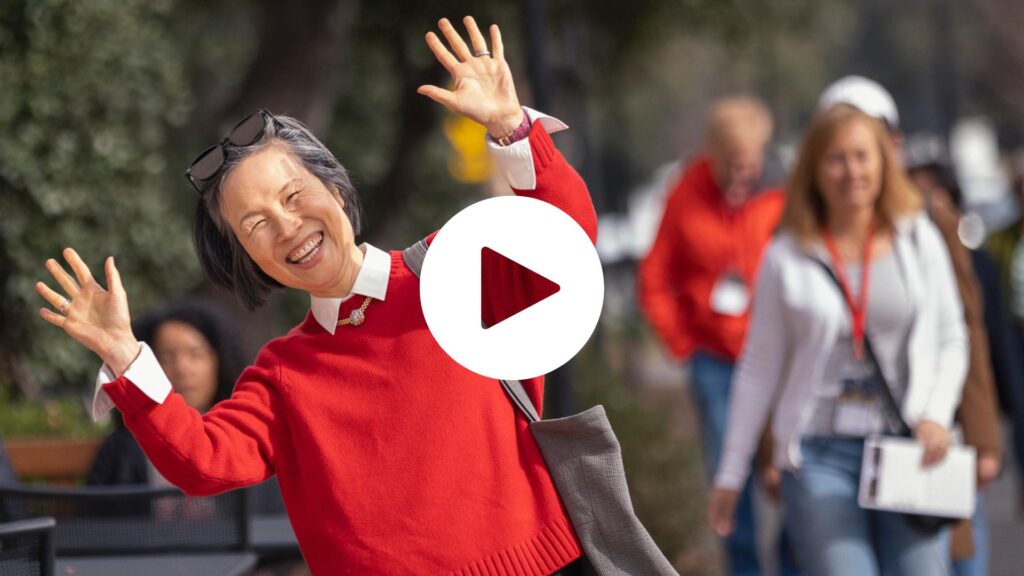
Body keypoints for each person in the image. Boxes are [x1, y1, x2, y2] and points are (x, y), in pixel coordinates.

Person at [34, 17, 593, 576]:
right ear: (248, 259)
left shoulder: (452, 269)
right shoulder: (283, 372)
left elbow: (566, 247)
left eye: (294, 195)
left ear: (336, 186)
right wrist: (124, 356)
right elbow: (203, 461)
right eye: (255, 225)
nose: (286, 227)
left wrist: (511, 128)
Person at [708, 103, 967, 575]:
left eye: (862, 156)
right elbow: (758, 368)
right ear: (814, 170)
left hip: (906, 444)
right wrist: (730, 474)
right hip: (818, 454)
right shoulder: (787, 254)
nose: (852, 171)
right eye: (837, 159)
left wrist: (936, 415)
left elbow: (952, 337)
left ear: (883, 163)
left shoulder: (917, 238)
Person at [818, 75, 1004, 574]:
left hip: (926, 437)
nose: (854, 158)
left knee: (951, 552)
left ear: (892, 145)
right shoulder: (800, 232)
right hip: (832, 447)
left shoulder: (926, 220)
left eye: (869, 140)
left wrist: (983, 438)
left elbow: (965, 328)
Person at [638, 96, 790, 576]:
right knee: (732, 476)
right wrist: (681, 342)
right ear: (714, 154)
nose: (744, 172)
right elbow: (655, 277)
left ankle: (793, 563)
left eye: (751, 162)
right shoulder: (685, 195)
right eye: (733, 162)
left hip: (779, 357)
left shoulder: (781, 196)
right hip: (716, 361)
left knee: (793, 470)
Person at [909, 160, 1016, 575]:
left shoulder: (955, 247)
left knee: (962, 539)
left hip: (948, 425)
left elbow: (973, 343)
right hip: (904, 431)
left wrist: (986, 439)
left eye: (934, 196)